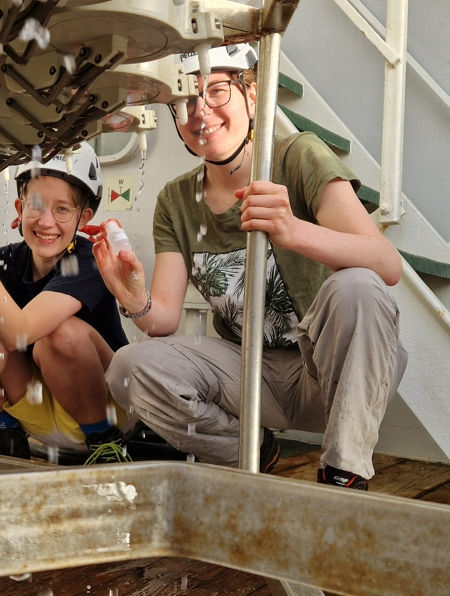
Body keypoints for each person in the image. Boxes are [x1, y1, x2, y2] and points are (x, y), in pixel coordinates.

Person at [92, 44, 407, 489]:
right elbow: (161, 320)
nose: (200, 112)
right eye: (183, 103)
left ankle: (343, 472)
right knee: (128, 366)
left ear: (253, 96)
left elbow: (386, 265)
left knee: (358, 287)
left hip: (325, 372)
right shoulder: (177, 200)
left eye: (217, 91)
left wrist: (293, 230)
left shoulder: (299, 156)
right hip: (247, 377)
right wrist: (133, 298)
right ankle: (248, 447)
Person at [0, 143, 133, 464]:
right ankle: (5, 434)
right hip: (38, 411)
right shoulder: (4, 263)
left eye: (63, 209)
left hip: (106, 411)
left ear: (83, 218)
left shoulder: (88, 261)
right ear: (19, 208)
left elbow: (20, 334)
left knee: (58, 334)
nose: (46, 221)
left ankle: (106, 446)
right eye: (36, 205)